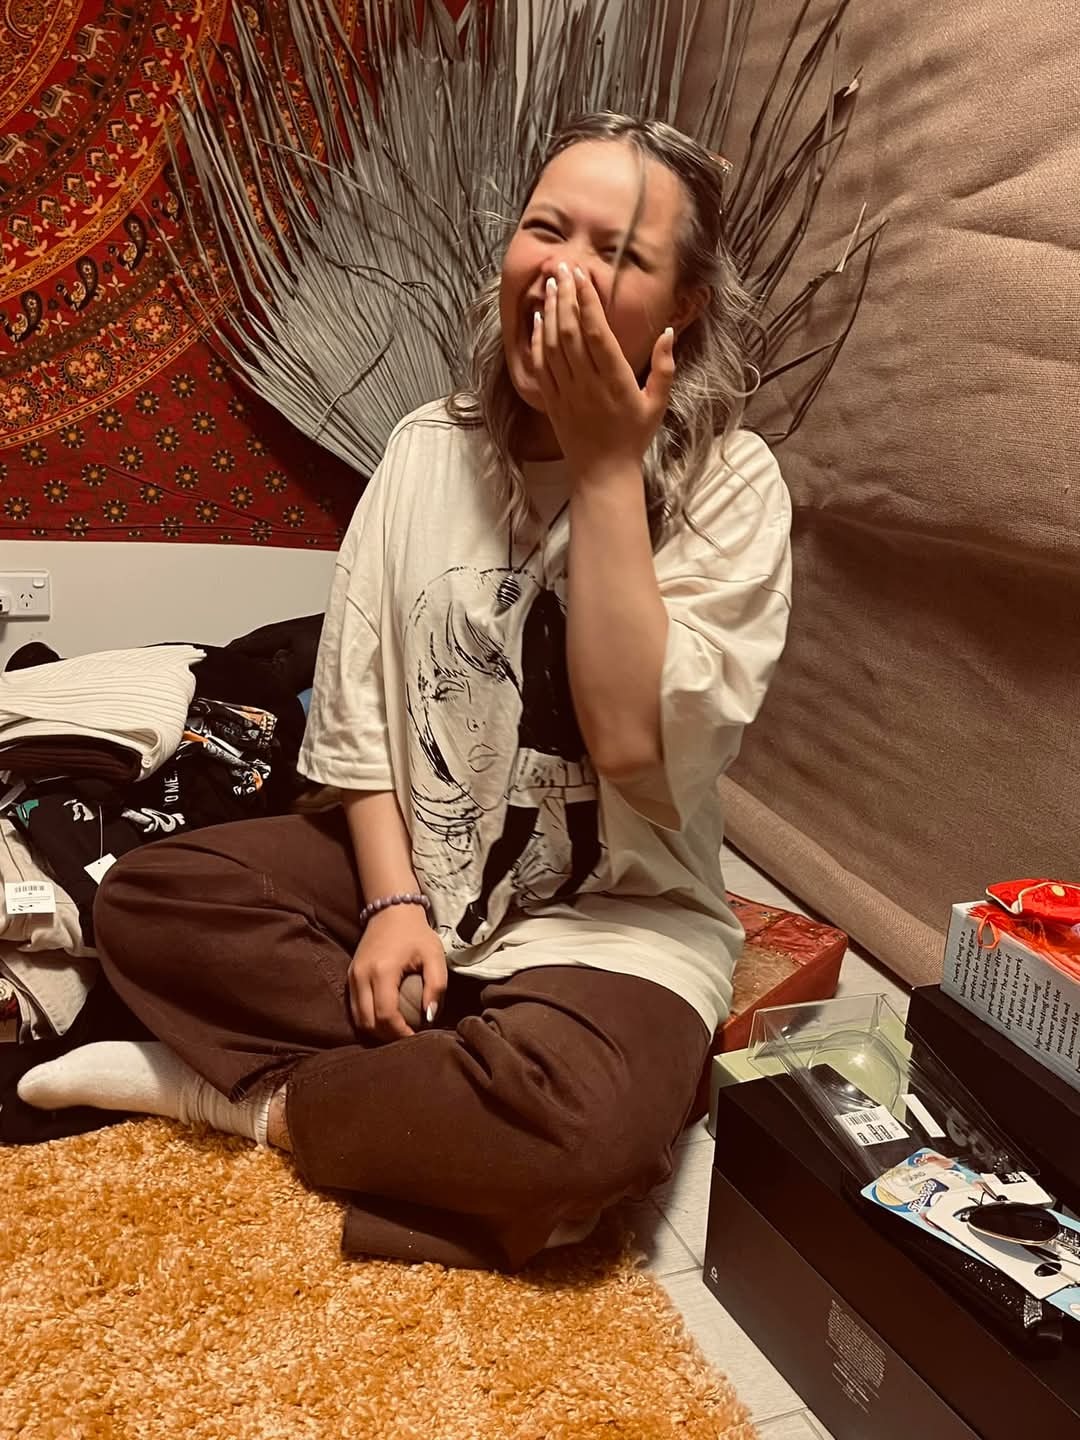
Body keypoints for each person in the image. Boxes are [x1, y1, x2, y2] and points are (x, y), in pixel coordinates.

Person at [18, 113, 792, 1271]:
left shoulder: (735, 485)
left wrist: (603, 465)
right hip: (426, 869)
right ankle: (468, 1098)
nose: (567, 271)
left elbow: (632, 745)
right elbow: (359, 722)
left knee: (585, 1131)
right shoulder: (429, 447)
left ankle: (250, 1102)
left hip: (614, 913)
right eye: (547, 229)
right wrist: (390, 906)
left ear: (682, 305)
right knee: (149, 899)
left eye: (620, 252)